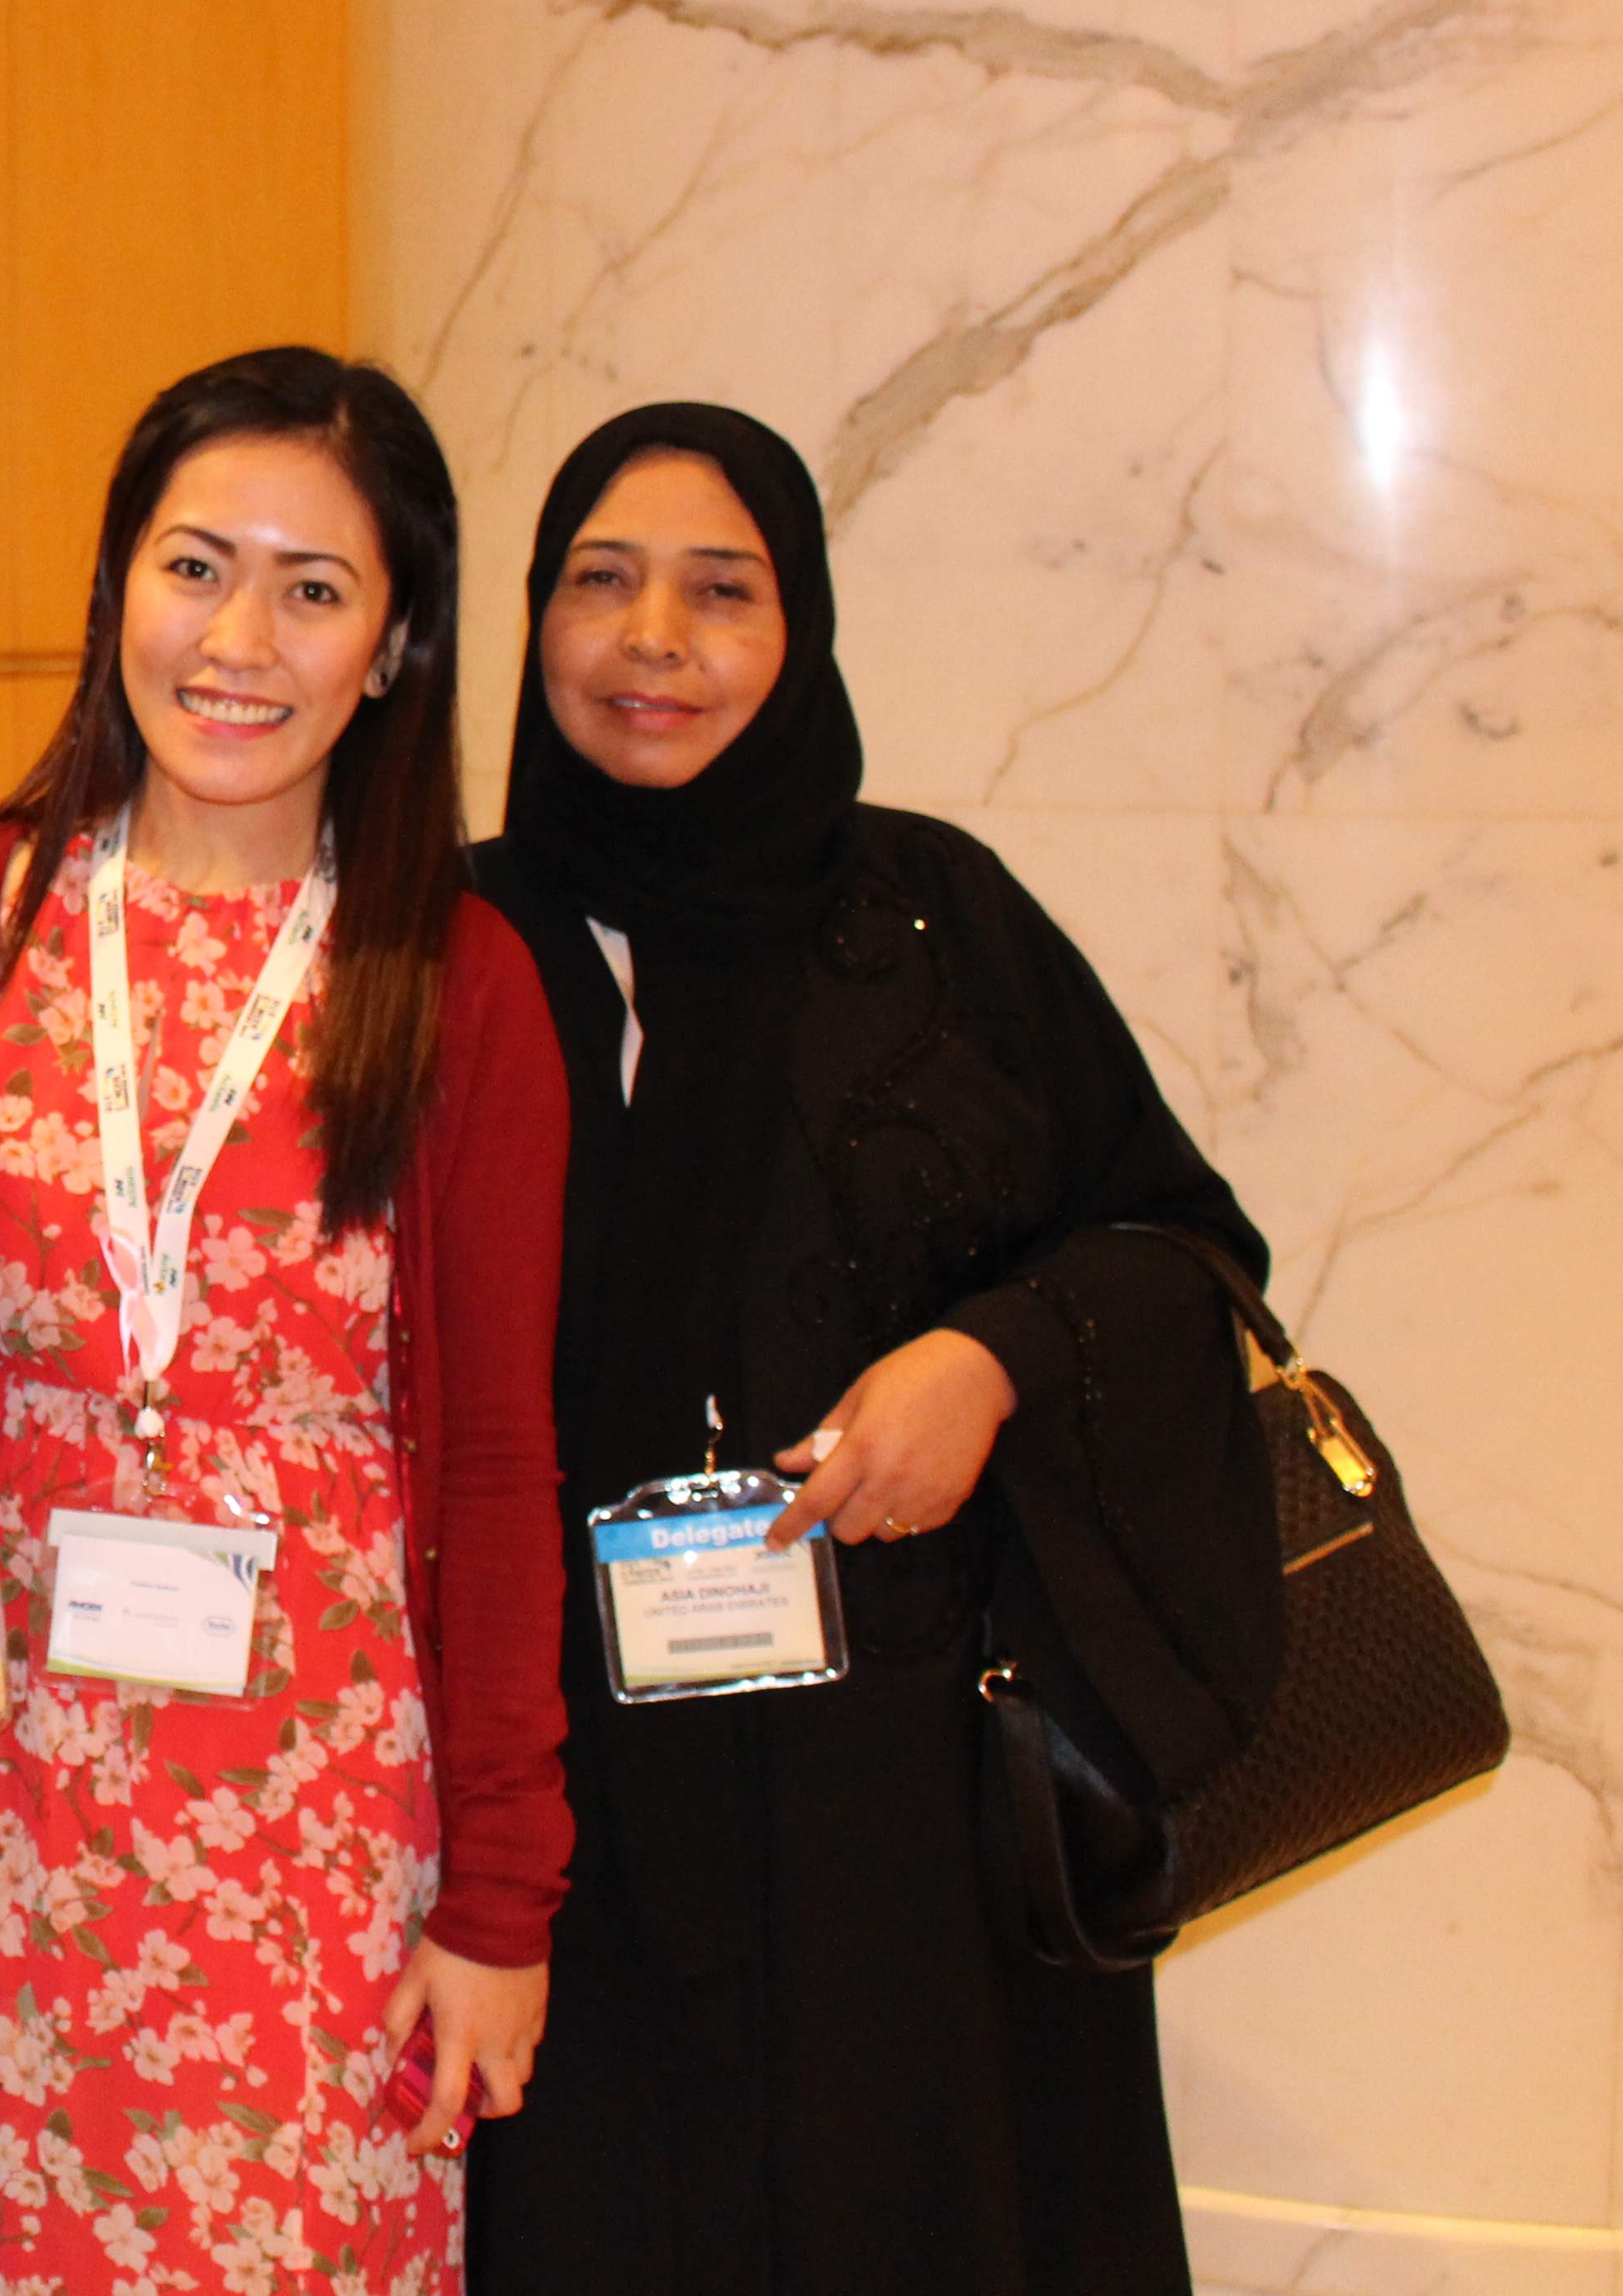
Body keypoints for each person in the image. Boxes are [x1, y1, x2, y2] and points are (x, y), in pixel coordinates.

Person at [458, 405, 1282, 2295]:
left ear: (802, 630)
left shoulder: (937, 917)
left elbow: (1181, 1248)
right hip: (564, 1810)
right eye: (600, 580)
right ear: (532, 623)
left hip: (903, 1823)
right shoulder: (451, 946)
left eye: (720, 590)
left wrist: (990, 1359)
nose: (652, 635)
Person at [0, 348, 572, 2292]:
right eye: (196, 567)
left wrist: (502, 1894)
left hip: (326, 1829)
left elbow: (507, 1459)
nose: (237, 640)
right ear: (117, 590)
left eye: (314, 589)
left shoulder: (453, 976)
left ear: (399, 644)